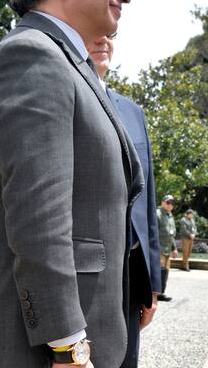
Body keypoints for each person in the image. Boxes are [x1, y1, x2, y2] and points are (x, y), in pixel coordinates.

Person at [0, 0, 140, 368]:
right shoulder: (32, 55)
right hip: (35, 346)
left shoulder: (67, 62)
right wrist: (67, 343)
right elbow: (38, 215)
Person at [87, 33, 161, 368]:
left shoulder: (133, 113)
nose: (103, 40)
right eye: (93, 31)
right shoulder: (66, 95)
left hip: (130, 272)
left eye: (110, 34)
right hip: (84, 270)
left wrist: (152, 284)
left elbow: (147, 206)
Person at [157, 195, 177, 302]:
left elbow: (171, 234)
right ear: (163, 202)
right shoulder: (157, 214)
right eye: (168, 202)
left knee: (165, 271)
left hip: (167, 248)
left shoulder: (170, 216)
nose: (170, 205)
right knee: (159, 270)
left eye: (172, 203)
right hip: (159, 247)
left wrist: (174, 248)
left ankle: (161, 292)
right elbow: (153, 232)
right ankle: (156, 292)